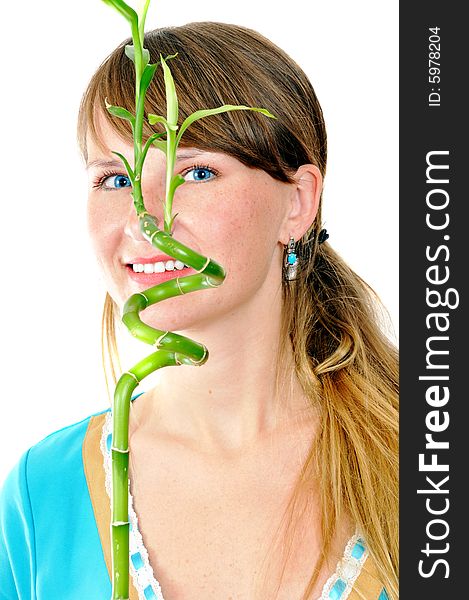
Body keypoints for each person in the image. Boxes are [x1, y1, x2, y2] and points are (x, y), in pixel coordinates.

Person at [0, 21, 398, 600]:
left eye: (197, 172)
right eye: (114, 178)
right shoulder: (44, 492)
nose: (146, 220)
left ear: (299, 202)